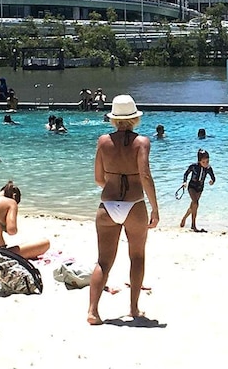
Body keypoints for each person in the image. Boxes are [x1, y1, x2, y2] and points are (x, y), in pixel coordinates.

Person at [88, 95, 159, 326]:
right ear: (135, 118)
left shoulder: (103, 141)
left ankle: (93, 312)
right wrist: (155, 208)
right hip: (134, 204)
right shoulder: (142, 142)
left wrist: (113, 184)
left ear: (114, 119)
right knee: (137, 256)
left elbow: (99, 178)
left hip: (107, 205)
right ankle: (134, 308)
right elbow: (145, 176)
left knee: (103, 262)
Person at [179, 149, 216, 232]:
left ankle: (184, 218)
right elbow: (186, 174)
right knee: (195, 203)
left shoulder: (209, 168)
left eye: (207, 161)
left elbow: (213, 177)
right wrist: (184, 182)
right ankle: (193, 225)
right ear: (199, 161)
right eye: (204, 162)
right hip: (192, 187)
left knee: (193, 206)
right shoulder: (194, 166)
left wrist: (212, 181)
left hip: (200, 188)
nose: (206, 164)